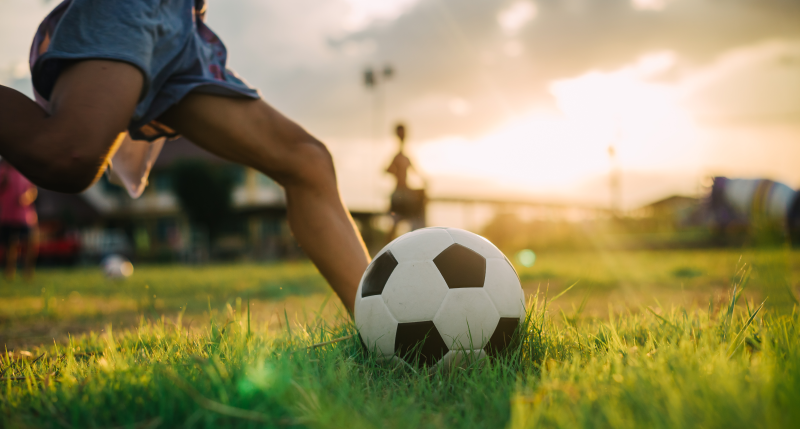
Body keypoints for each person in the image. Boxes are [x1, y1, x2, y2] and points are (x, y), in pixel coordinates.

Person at [0, 0, 369, 311]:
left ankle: (386, 335)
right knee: (67, 156)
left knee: (307, 160)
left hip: (183, 24)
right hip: (134, 7)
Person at [385, 123, 427, 242]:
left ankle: (415, 243)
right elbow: (386, 170)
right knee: (394, 223)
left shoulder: (405, 157)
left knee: (414, 222)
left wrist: (424, 182)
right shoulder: (397, 157)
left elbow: (416, 172)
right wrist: (396, 172)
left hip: (407, 193)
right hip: (398, 193)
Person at [0, 160, 39, 281]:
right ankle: (9, 273)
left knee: (30, 243)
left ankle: (28, 273)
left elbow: (33, 190)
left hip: (25, 216)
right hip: (8, 216)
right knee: (10, 246)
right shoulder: (3, 171)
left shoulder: (26, 171)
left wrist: (26, 197)